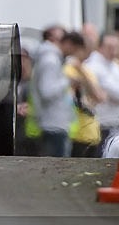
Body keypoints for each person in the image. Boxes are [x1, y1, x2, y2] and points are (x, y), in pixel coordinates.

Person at [31, 27, 83, 158]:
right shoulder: (51, 61)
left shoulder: (54, 59)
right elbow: (47, 91)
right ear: (69, 44)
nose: (72, 54)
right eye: (74, 50)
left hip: (55, 123)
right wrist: (67, 82)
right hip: (52, 124)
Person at [84, 32, 119, 152]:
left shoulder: (116, 67)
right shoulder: (92, 66)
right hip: (99, 125)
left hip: (115, 124)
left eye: (116, 47)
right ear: (100, 46)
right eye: (109, 46)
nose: (113, 50)